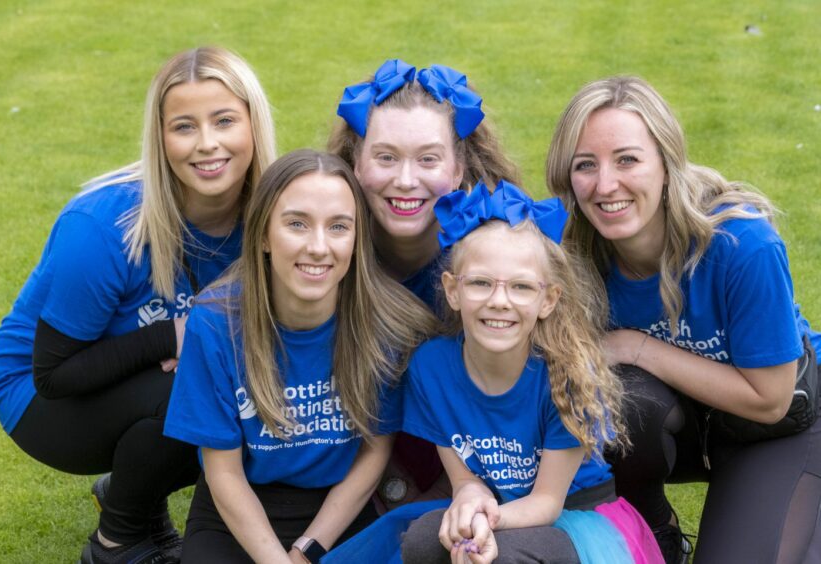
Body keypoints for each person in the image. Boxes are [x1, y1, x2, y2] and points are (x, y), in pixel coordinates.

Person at [0, 46, 276, 563]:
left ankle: (131, 493)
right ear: (160, 138)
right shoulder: (104, 228)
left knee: (249, 382)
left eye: (225, 120)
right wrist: (173, 337)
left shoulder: (273, 216)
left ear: (255, 124)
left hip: (136, 380)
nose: (207, 144)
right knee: (202, 391)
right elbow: (53, 375)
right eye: (184, 126)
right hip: (39, 397)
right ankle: (117, 541)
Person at [546, 75, 821, 564]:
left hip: (776, 422)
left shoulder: (742, 244)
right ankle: (655, 528)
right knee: (626, 398)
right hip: (678, 420)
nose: (605, 185)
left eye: (627, 159)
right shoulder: (567, 249)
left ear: (667, 163)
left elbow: (772, 399)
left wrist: (635, 346)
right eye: (585, 165)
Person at [163, 149, 438, 563]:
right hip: (240, 504)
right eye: (296, 224)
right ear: (262, 235)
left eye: (339, 227)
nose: (318, 247)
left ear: (357, 239)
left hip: (339, 506)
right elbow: (223, 472)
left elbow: (373, 452)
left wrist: (308, 550)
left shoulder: (385, 325)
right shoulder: (216, 322)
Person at [389, 182, 661, 564]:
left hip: (571, 516)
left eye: (520, 287)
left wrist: (484, 521)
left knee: (499, 557)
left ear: (547, 299)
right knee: (423, 541)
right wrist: (469, 498)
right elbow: (464, 478)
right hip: (498, 507)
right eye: (481, 283)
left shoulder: (566, 373)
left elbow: (547, 503)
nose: (499, 301)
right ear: (452, 290)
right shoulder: (430, 368)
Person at [327, 58, 521, 509]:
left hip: (480, 473)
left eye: (428, 159)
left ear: (458, 169)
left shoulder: (495, 253)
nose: (407, 180)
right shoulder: (324, 249)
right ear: (355, 163)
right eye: (386, 157)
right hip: (343, 465)